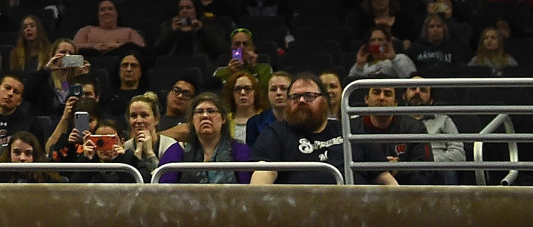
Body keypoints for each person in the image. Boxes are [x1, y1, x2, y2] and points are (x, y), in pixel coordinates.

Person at [251, 74, 384, 185]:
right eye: (295, 97)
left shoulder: (350, 132)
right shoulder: (275, 134)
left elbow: (387, 181)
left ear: (324, 101)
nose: (301, 101)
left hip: (354, 210)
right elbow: (262, 176)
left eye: (309, 96)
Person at [155, 95, 254, 183]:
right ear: (192, 120)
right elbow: (165, 193)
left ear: (223, 119)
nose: (205, 116)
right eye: (199, 112)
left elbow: (248, 192)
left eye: (211, 111)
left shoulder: (240, 151)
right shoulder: (177, 151)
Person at [349, 83, 429, 185]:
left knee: (420, 180)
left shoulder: (414, 128)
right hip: (365, 183)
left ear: (396, 102)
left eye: (387, 94)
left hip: (403, 184)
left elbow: (425, 167)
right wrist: (377, 169)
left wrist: (398, 169)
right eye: (376, 93)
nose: (381, 98)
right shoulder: (352, 128)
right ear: (366, 99)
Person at [72, 0, 146, 52]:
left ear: (117, 13)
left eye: (110, 9)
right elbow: (72, 49)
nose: (106, 12)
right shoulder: (86, 30)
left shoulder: (129, 31)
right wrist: (93, 46)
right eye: (102, 10)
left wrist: (120, 46)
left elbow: (142, 49)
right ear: (97, 14)